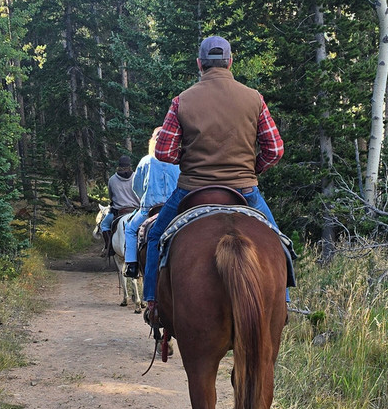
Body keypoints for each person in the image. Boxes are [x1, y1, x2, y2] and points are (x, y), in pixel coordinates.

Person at [142, 35, 284, 316]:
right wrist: (251, 168)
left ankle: (153, 302)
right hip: (244, 190)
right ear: (230, 62)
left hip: (192, 189)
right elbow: (275, 149)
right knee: (278, 240)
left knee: (156, 235)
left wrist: (190, 159)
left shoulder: (182, 101)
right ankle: (284, 304)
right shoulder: (254, 99)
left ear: (200, 64)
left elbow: (163, 151)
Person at [123, 128, 180, 278]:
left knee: (130, 229)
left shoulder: (145, 161)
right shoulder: (177, 161)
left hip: (150, 209)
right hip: (174, 209)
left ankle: (131, 265)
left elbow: (136, 186)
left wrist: (144, 198)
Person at [99, 155, 138, 257]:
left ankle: (109, 247)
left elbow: (111, 196)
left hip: (119, 211)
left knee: (104, 225)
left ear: (119, 166)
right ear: (130, 165)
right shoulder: (136, 177)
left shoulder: (112, 179)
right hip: (136, 211)